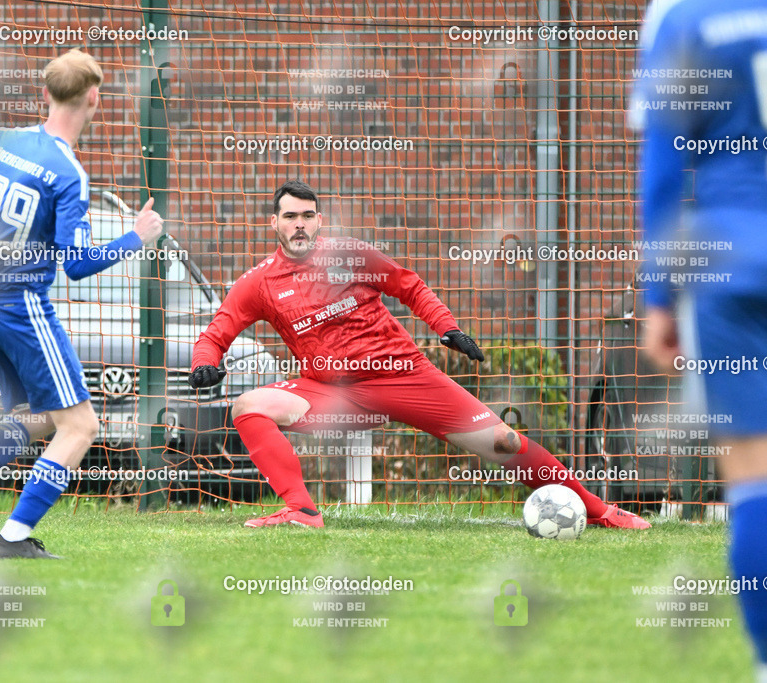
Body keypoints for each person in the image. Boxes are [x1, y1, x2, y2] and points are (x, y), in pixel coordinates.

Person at [188, 180, 650, 530]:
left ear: (320, 221)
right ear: (275, 224)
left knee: (505, 444)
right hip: (332, 391)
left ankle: (600, 510)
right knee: (249, 406)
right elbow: (216, 332)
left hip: (402, 374)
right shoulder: (259, 282)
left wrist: (447, 328)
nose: (299, 224)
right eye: (290, 216)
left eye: (308, 215)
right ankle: (301, 510)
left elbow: (407, 284)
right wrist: (203, 364)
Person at [0, 49, 163, 559]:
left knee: (40, 415)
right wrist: (135, 238)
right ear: (94, 97)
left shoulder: (0, 141)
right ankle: (12, 538)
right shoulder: (70, 173)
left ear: (46, 93)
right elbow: (77, 265)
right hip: (19, 305)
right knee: (82, 425)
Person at [632, 0, 767, 677]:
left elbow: (663, 163)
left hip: (732, 263)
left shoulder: (681, 16)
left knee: (752, 480)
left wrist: (660, 295)